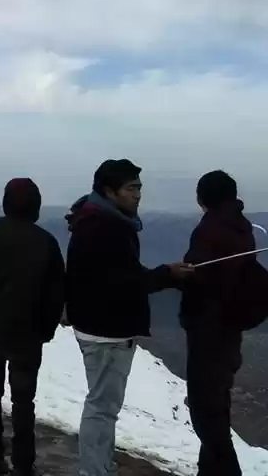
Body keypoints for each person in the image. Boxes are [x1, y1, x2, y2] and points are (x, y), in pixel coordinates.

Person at [64, 159, 193, 476]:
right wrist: (168, 274)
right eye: (131, 188)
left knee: (103, 407)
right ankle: (95, 471)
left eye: (139, 188)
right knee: (102, 409)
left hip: (99, 326)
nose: (138, 195)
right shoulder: (104, 228)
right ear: (109, 192)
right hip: (105, 332)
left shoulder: (98, 221)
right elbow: (124, 282)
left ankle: (100, 467)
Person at [0, 178, 65, 476]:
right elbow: (56, 293)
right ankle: (23, 463)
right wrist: (46, 330)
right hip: (28, 336)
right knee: (23, 401)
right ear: (37, 207)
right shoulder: (46, 242)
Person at [180, 171, 268, 476]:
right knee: (216, 410)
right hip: (229, 332)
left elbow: (202, 278)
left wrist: (177, 275)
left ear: (201, 198)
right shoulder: (242, 227)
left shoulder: (211, 230)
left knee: (208, 419)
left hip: (209, 332)